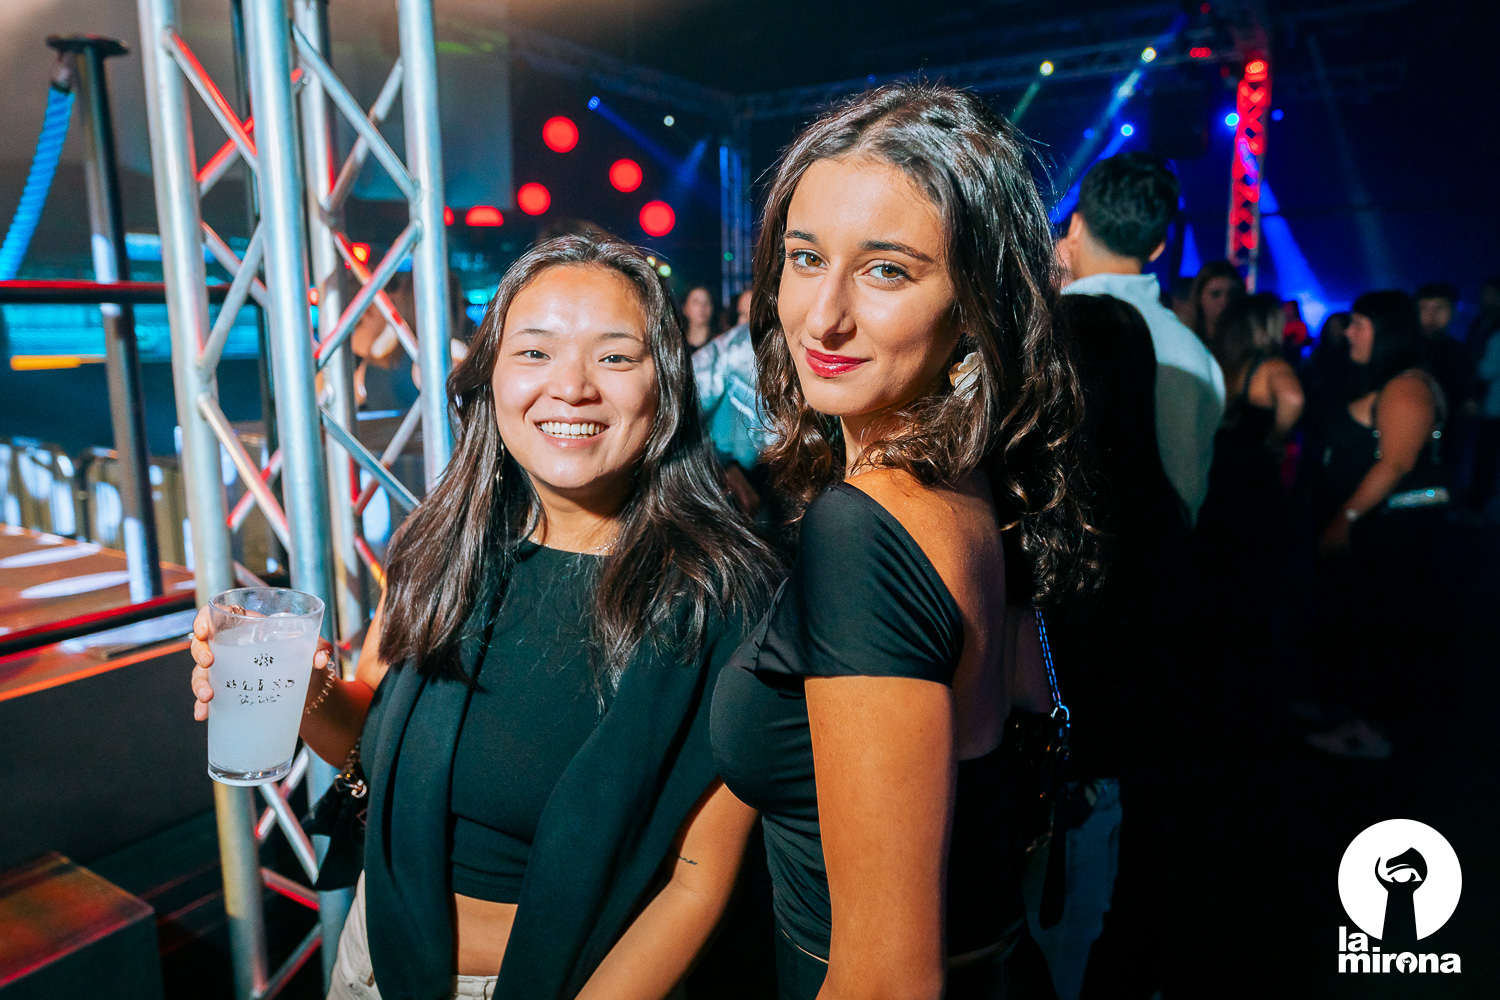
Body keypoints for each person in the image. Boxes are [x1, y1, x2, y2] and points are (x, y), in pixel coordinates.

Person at [190, 234, 780, 1000]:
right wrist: (305, 695)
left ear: (666, 386)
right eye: (534, 352)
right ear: (492, 376)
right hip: (373, 959)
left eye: (614, 356)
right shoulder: (440, 545)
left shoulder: (723, 597)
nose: (570, 386)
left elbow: (695, 884)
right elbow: (365, 750)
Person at [711, 83, 1095, 1000]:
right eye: (805, 258)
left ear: (975, 303)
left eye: (886, 270)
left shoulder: (866, 530)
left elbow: (887, 980)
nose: (822, 316)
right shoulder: (970, 478)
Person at [1025, 295, 1190, 1000]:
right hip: (1109, 782)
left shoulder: (1063, 518)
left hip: (1065, 793)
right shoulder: (1157, 507)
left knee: (1053, 961)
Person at [1308, 290, 1446, 760]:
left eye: (1359, 324)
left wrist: (1344, 518)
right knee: (1367, 623)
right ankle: (1353, 713)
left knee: (1384, 627)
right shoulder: (1387, 379)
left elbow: (1396, 463)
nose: (1348, 331)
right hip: (1380, 530)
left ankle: (1369, 731)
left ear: (1386, 332)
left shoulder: (1407, 387)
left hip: (1392, 532)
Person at [1056, 152, 1226, 523]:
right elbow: (1190, 489)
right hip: (1159, 552)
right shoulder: (1196, 357)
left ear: (1075, 228)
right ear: (1158, 246)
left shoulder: (1039, 332)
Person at [1196, 293, 1304, 699]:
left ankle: (1211, 684)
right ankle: (1248, 690)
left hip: (1218, 486)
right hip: (1256, 492)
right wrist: (1277, 436)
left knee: (1217, 591)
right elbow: (1294, 398)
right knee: (1255, 594)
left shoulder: (1224, 364)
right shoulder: (1271, 366)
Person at [694, 290, 768, 519]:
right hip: (736, 486)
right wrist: (723, 464)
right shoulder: (726, 353)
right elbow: (677, 418)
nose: (749, 324)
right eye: (743, 315)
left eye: (757, 315)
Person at [1187, 260, 1246, 347]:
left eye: (1232, 294)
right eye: (1215, 294)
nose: (1224, 301)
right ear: (1199, 298)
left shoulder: (1249, 345)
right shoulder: (1186, 342)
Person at [682, 285, 717, 352]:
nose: (702, 307)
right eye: (696, 302)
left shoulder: (720, 342)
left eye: (707, 302)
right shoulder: (676, 345)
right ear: (685, 308)